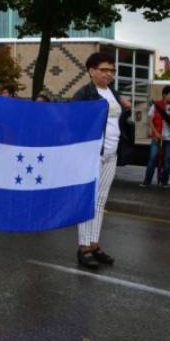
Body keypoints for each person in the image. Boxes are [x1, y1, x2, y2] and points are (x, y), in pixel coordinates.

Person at [72, 52, 131, 269]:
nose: (109, 74)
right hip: (91, 155)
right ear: (92, 71)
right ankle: (83, 248)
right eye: (104, 70)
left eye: (112, 71)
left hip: (111, 154)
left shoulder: (113, 93)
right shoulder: (84, 94)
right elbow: (73, 124)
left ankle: (94, 245)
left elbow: (117, 123)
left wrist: (125, 109)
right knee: (88, 200)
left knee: (100, 201)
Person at [141, 85, 170, 187]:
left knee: (167, 161)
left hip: (169, 139)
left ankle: (164, 182)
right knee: (152, 158)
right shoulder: (156, 106)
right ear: (164, 95)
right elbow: (150, 120)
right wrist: (156, 133)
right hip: (157, 137)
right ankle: (147, 181)